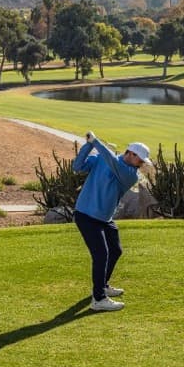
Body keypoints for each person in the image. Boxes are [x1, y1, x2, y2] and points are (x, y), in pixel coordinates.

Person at [72, 132, 152, 312]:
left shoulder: (130, 174)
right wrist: (89, 145)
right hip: (86, 214)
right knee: (101, 254)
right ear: (130, 154)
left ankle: (103, 285)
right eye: (140, 160)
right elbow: (77, 167)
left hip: (104, 218)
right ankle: (99, 299)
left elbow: (112, 162)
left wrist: (96, 142)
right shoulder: (102, 158)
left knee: (115, 250)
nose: (141, 165)